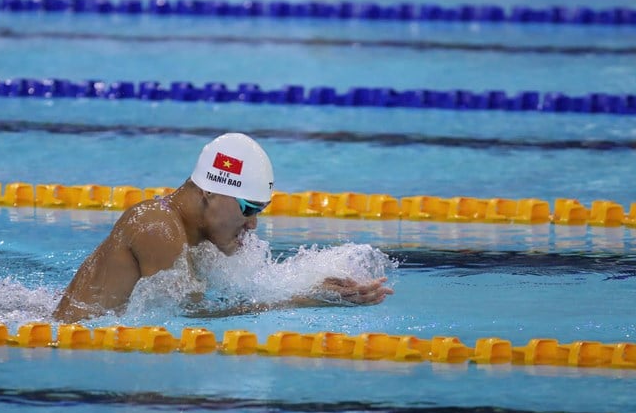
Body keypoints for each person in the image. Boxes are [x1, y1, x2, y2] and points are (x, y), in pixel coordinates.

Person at [53, 133, 393, 321]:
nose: (253, 223)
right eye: (248, 208)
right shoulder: (158, 228)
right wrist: (304, 301)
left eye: (260, 210)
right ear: (211, 193)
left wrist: (314, 284)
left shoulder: (198, 238)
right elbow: (189, 314)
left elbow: (242, 294)